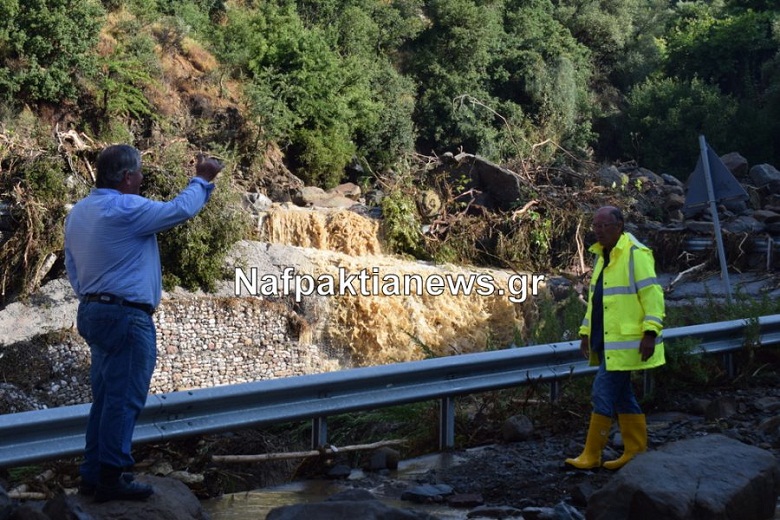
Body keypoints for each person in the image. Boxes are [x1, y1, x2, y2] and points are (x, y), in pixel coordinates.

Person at [64, 144, 223, 502]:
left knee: (104, 399)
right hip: (126, 315)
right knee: (124, 400)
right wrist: (202, 178)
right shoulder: (126, 207)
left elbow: (72, 267)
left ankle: (92, 476)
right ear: (126, 177)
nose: (141, 179)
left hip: (92, 311)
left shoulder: (78, 213)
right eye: (138, 173)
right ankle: (112, 476)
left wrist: (95, 299)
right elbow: (180, 209)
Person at [564, 205, 665, 471]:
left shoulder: (635, 254)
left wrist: (651, 332)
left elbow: (653, 296)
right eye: (595, 226)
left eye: (603, 226)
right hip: (608, 340)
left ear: (619, 226)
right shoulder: (602, 256)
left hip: (629, 341)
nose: (598, 231)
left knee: (602, 392)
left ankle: (592, 454)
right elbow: (596, 303)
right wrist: (585, 334)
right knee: (623, 396)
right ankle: (635, 450)